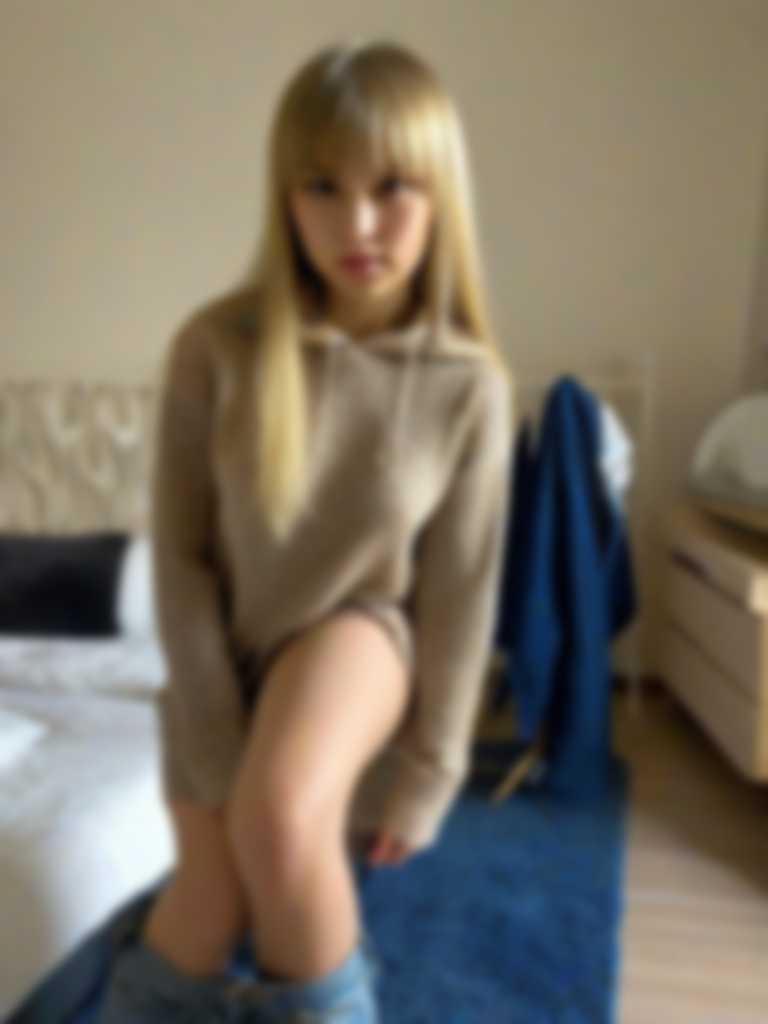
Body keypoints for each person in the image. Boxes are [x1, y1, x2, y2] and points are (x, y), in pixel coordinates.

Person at [100, 35, 515, 1024]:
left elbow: (461, 593)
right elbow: (182, 558)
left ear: (440, 193)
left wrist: (432, 771)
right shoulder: (217, 347)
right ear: (285, 197)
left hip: (361, 634)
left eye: (392, 187)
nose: (356, 222)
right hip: (224, 652)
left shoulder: (467, 384)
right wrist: (210, 724)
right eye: (322, 186)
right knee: (208, 901)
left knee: (279, 817)